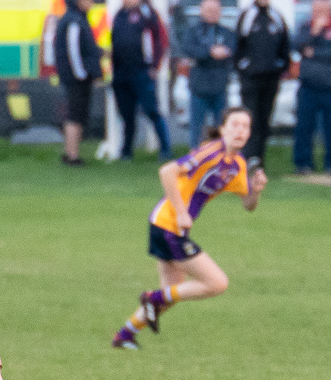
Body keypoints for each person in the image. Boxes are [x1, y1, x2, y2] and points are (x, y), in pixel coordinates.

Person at [112, 108, 268, 349]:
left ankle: (124, 336)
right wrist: (182, 212)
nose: (240, 130)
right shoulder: (210, 151)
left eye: (245, 126)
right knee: (217, 283)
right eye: (235, 124)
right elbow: (167, 171)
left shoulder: (236, 164)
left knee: (173, 292)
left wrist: (255, 190)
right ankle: (151, 298)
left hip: (172, 227)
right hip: (167, 224)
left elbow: (248, 205)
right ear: (223, 128)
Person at [292, 0, 331, 174]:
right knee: (304, 127)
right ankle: (303, 164)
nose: (319, 13)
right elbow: (296, 46)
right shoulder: (305, 27)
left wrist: (314, 52)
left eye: (323, 9)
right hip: (308, 86)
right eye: (316, 9)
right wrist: (314, 33)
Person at [111, 0, 172, 161]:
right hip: (121, 72)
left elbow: (160, 40)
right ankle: (126, 151)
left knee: (151, 110)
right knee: (126, 114)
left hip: (141, 71)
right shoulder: (119, 15)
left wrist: (155, 66)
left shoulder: (147, 13)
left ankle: (165, 148)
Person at [235, 0, 291, 167]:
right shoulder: (247, 16)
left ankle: (259, 159)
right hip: (251, 78)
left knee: (265, 120)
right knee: (251, 118)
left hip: (271, 78)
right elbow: (238, 44)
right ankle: (248, 157)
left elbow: (285, 44)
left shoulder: (276, 16)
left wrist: (281, 66)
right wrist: (244, 67)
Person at [54, 0, 104, 165]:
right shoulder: (74, 21)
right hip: (76, 78)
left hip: (77, 76)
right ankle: (72, 155)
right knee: (75, 115)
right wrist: (81, 74)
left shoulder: (77, 19)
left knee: (77, 115)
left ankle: (71, 153)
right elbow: (73, 50)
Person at [180, 0, 235, 146]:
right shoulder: (193, 32)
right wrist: (210, 52)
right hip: (199, 86)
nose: (212, 14)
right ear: (202, 11)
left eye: (216, 11)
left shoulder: (227, 33)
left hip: (220, 85)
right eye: (209, 11)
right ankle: (196, 158)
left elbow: (233, 49)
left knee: (222, 126)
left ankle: (221, 157)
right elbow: (189, 49)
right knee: (197, 127)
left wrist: (224, 53)